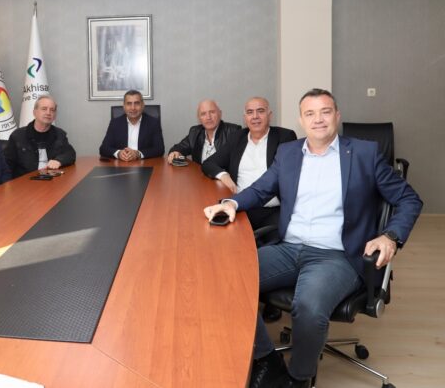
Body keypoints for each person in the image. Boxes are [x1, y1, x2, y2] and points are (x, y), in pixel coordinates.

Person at [204, 89, 422, 388]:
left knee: (307, 307)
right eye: (310, 113)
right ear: (301, 120)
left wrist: (390, 236)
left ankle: (299, 378)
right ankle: (266, 360)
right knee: (222, 278)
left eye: (325, 111)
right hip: (288, 249)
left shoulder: (364, 153)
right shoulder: (288, 152)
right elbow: (261, 189)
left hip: (336, 256)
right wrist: (231, 204)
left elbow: (409, 199)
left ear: (337, 116)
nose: (318, 119)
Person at [201, 97, 296, 230]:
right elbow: (208, 163)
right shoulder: (237, 137)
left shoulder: (285, 137)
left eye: (260, 111)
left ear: (270, 115)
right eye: (250, 112)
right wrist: (223, 175)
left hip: (273, 210)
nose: (255, 116)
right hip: (240, 207)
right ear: (245, 118)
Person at [4, 96, 76, 178]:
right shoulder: (18, 136)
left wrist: (59, 161)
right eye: (44, 109)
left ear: (55, 115)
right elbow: (7, 165)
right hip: (26, 181)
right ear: (34, 112)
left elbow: (70, 154)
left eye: (52, 110)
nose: (48, 113)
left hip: (52, 180)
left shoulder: (59, 134)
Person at [167, 99, 240, 164]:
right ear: (199, 118)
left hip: (222, 175)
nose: (208, 117)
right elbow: (179, 147)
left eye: (212, 112)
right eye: (203, 114)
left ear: (220, 114)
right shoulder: (195, 132)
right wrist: (175, 152)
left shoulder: (234, 132)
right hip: (199, 175)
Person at [99, 90, 164, 161]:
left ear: (143, 105)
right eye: (129, 104)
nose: (133, 108)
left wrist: (138, 154)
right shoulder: (115, 123)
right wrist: (118, 153)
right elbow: (103, 148)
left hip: (144, 164)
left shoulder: (153, 123)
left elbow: (159, 149)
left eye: (137, 103)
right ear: (124, 106)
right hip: (121, 164)